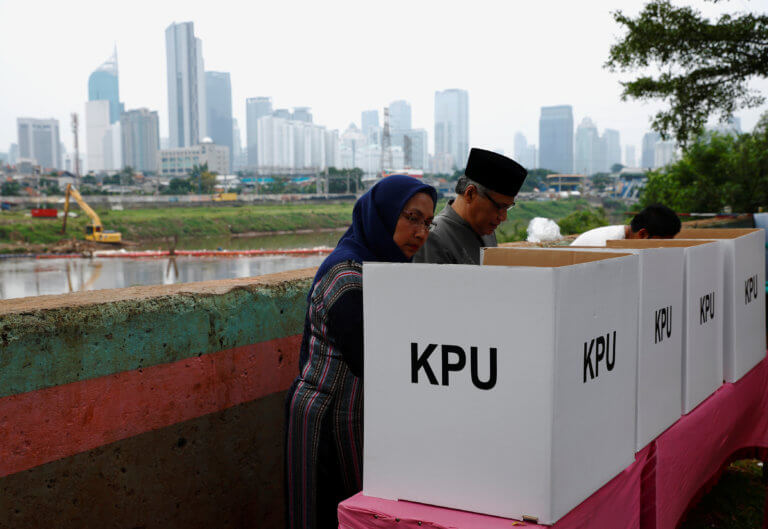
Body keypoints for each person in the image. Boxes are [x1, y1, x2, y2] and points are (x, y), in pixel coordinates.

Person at [285, 175, 437, 529]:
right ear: (382, 216)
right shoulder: (347, 275)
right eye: (411, 218)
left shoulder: (386, 268)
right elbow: (369, 356)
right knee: (320, 512)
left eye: (427, 223)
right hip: (323, 417)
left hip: (356, 416)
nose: (421, 233)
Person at [413, 148, 528, 264]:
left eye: (507, 207)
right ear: (470, 194)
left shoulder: (486, 230)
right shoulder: (433, 238)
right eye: (499, 206)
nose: (503, 217)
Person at [570, 204, 681, 246]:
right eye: (660, 243)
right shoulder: (606, 245)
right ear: (642, 235)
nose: (663, 248)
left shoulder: (623, 240)